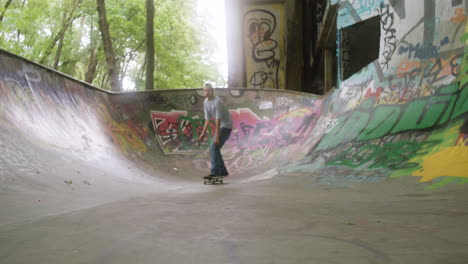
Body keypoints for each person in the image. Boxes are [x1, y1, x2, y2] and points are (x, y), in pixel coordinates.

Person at [198, 83, 233, 179]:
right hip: (221, 126)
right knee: (215, 148)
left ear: (212, 91)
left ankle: (215, 172)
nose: (206, 92)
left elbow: (218, 121)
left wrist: (217, 136)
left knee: (213, 147)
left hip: (226, 126)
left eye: (208, 90)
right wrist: (203, 133)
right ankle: (222, 171)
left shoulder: (217, 102)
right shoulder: (205, 102)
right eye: (205, 90)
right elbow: (207, 119)